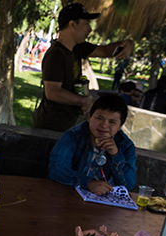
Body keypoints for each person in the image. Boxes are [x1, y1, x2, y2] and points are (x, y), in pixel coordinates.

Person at [33, 3, 135, 132]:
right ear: (73, 25)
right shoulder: (56, 55)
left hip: (66, 123)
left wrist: (129, 44)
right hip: (50, 126)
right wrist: (83, 101)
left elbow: (105, 51)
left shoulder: (77, 48)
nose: (90, 29)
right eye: (86, 23)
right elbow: (53, 93)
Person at [48, 94, 137, 196]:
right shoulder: (73, 136)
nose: (104, 125)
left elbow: (129, 185)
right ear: (89, 117)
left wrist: (116, 155)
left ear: (119, 126)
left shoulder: (125, 145)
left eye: (112, 122)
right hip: (66, 194)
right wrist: (87, 183)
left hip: (102, 201)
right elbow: (56, 169)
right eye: (99, 118)